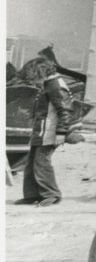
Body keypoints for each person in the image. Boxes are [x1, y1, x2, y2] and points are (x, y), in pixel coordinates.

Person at [17, 58, 83, 207]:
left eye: (32, 77)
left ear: (39, 72)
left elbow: (65, 110)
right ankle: (32, 195)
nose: (32, 82)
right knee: (31, 164)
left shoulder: (55, 86)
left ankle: (51, 195)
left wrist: (61, 133)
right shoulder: (49, 84)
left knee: (41, 164)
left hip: (49, 133)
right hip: (41, 132)